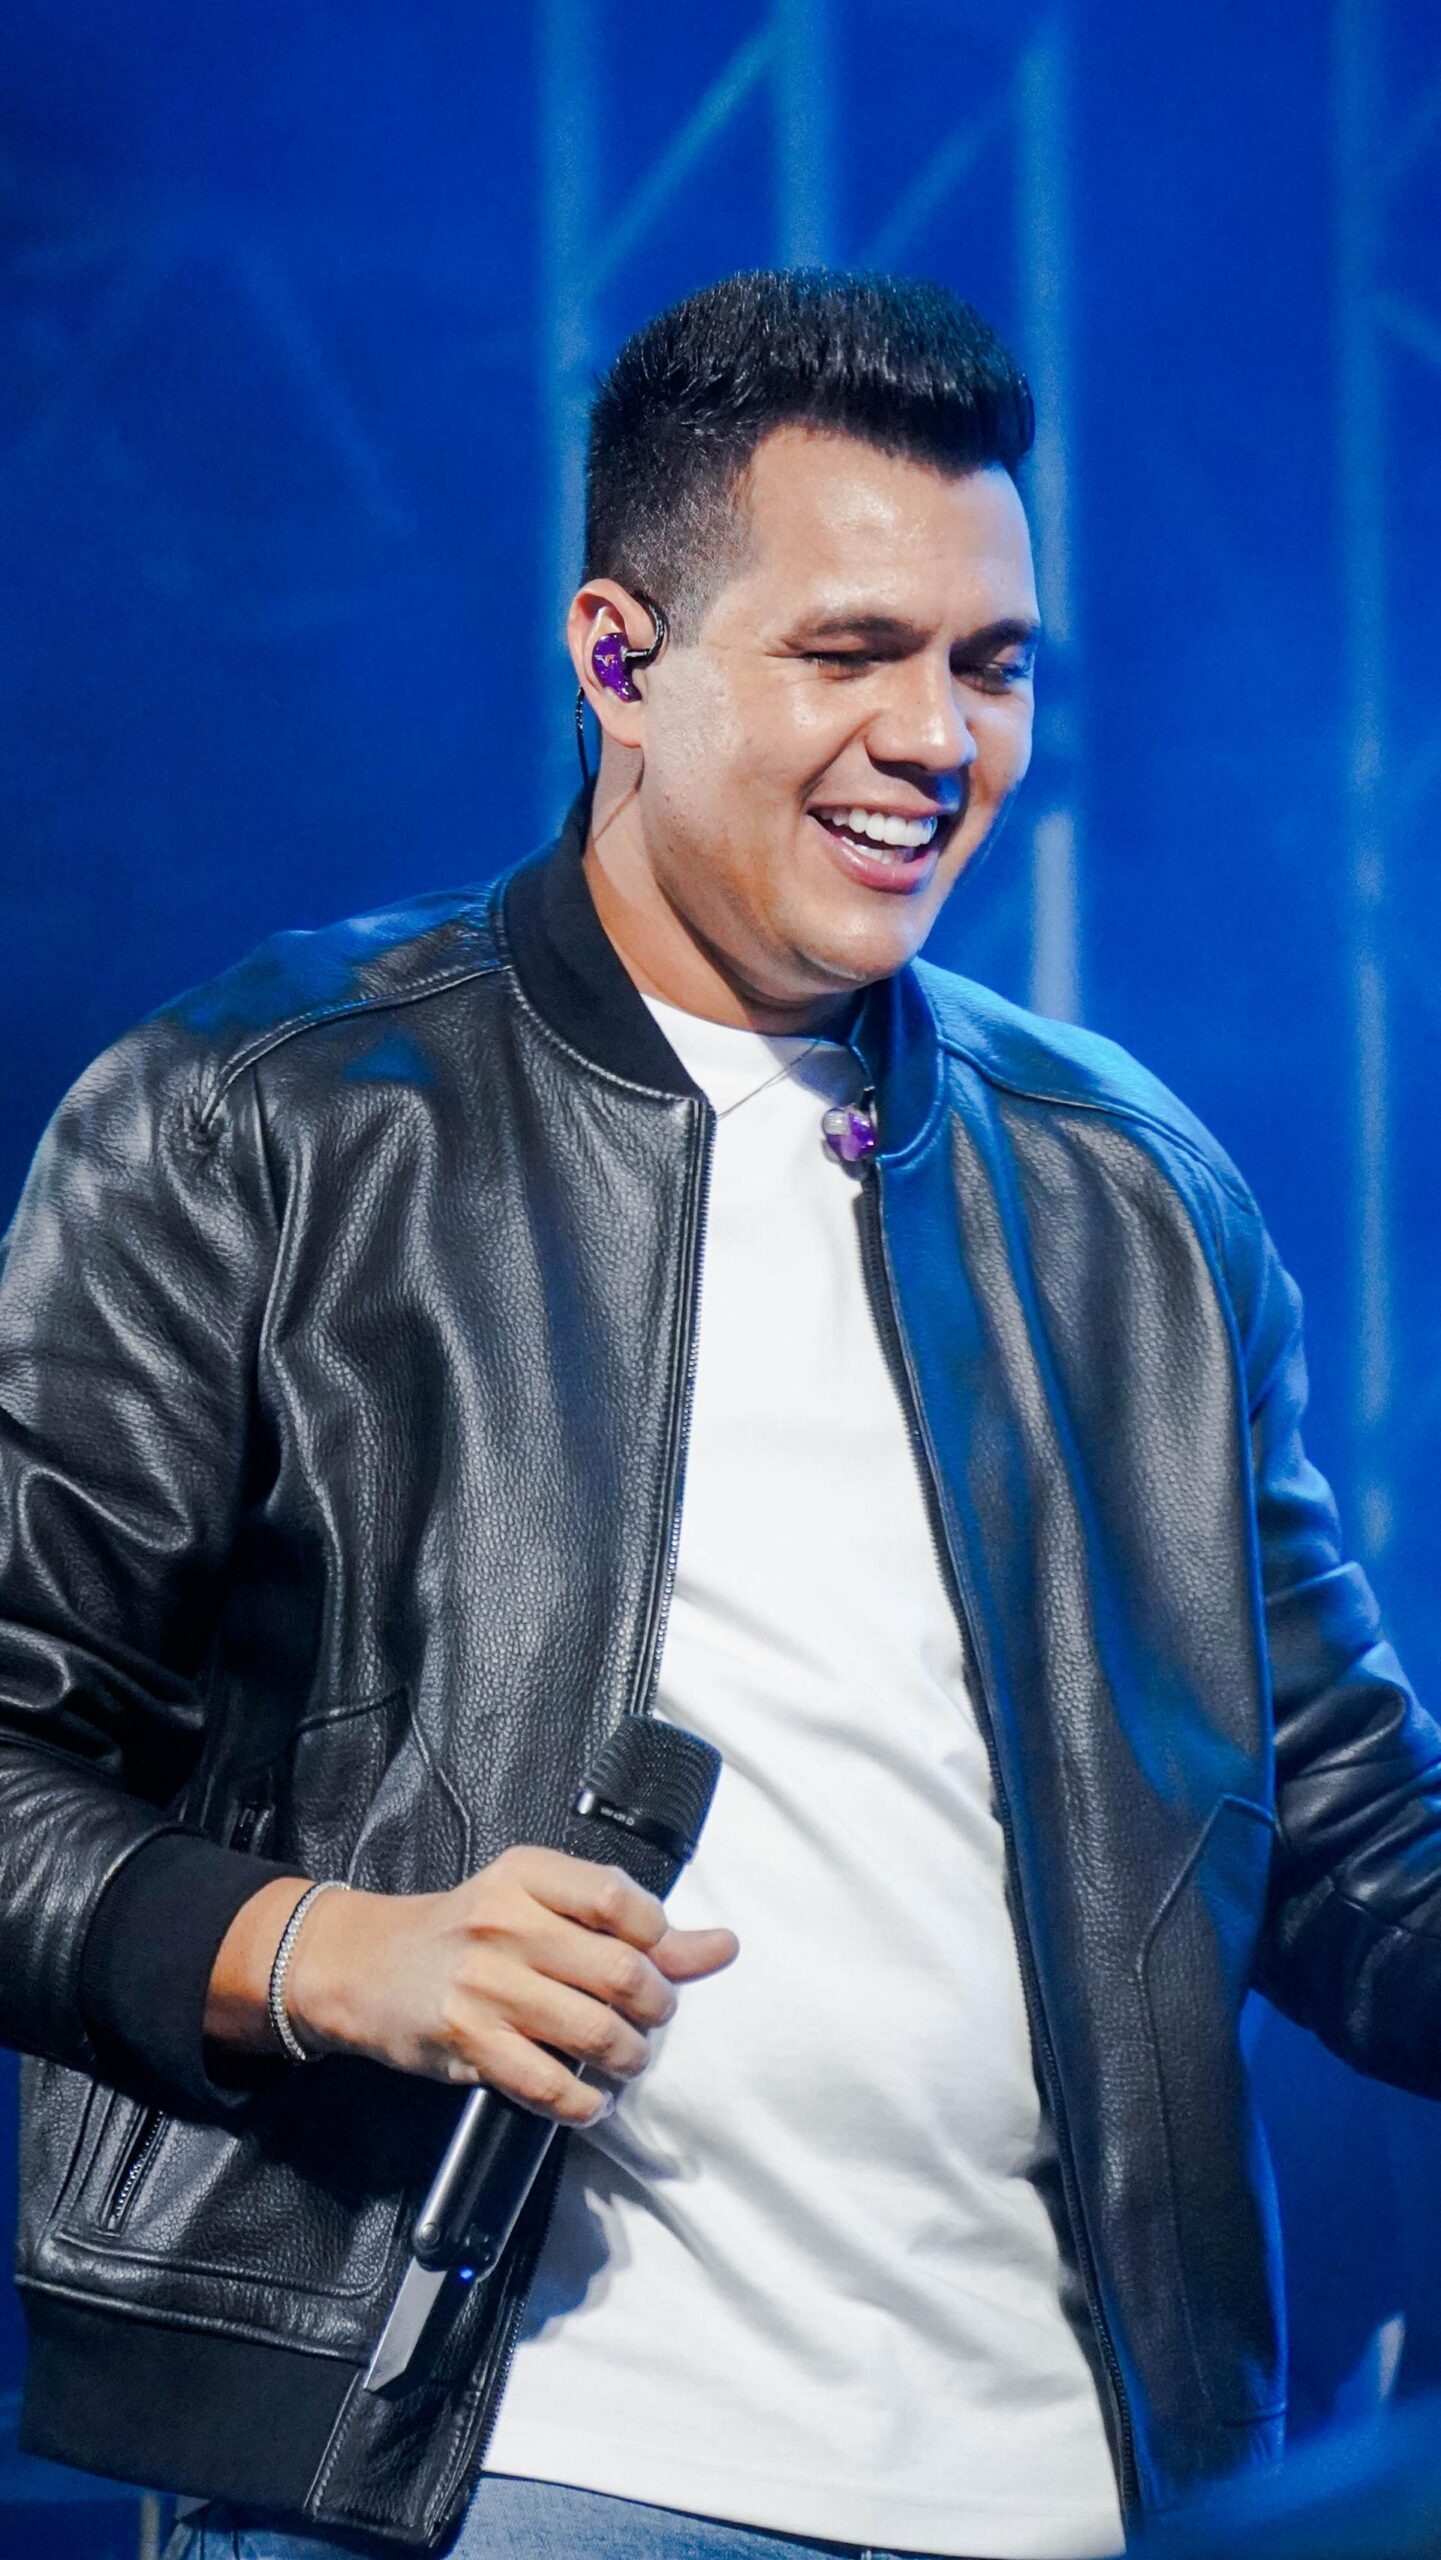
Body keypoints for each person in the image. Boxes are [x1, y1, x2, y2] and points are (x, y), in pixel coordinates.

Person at [3, 268, 1439, 2560]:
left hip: (1070, 2483)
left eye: (991, 664)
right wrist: (319, 1949)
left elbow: (1352, 1839)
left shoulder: (1130, 1193)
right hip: (508, 2471)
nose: (935, 736)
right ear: (617, 659)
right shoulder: (261, 1117)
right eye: (848, 652)